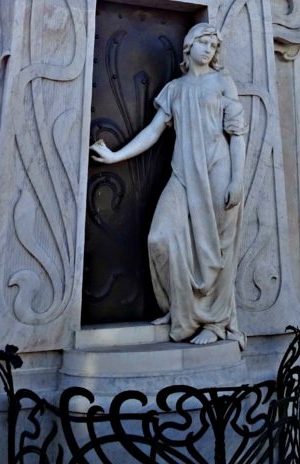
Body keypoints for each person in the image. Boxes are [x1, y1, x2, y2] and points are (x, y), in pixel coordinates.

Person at [90, 23, 247, 346]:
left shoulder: (222, 82)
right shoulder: (175, 89)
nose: (208, 49)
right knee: (159, 238)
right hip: (183, 173)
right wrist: (115, 156)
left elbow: (237, 134)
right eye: (202, 42)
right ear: (188, 47)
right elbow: (153, 132)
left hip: (217, 172)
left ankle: (214, 323)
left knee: (215, 251)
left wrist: (237, 180)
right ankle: (180, 308)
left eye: (213, 45)